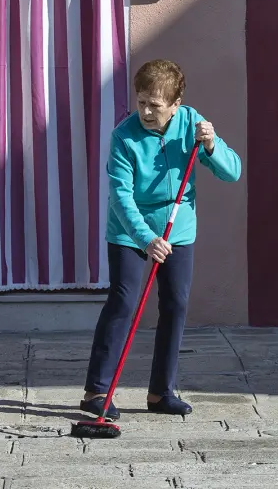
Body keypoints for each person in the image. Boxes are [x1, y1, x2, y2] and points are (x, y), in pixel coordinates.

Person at [80, 59, 242, 420]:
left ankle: (160, 393)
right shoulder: (124, 136)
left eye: (155, 104)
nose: (146, 111)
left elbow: (232, 172)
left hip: (178, 230)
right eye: (141, 102)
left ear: (176, 103)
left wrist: (212, 145)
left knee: (176, 305)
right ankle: (97, 391)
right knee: (123, 302)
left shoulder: (191, 123)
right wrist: (146, 238)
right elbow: (120, 197)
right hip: (130, 229)